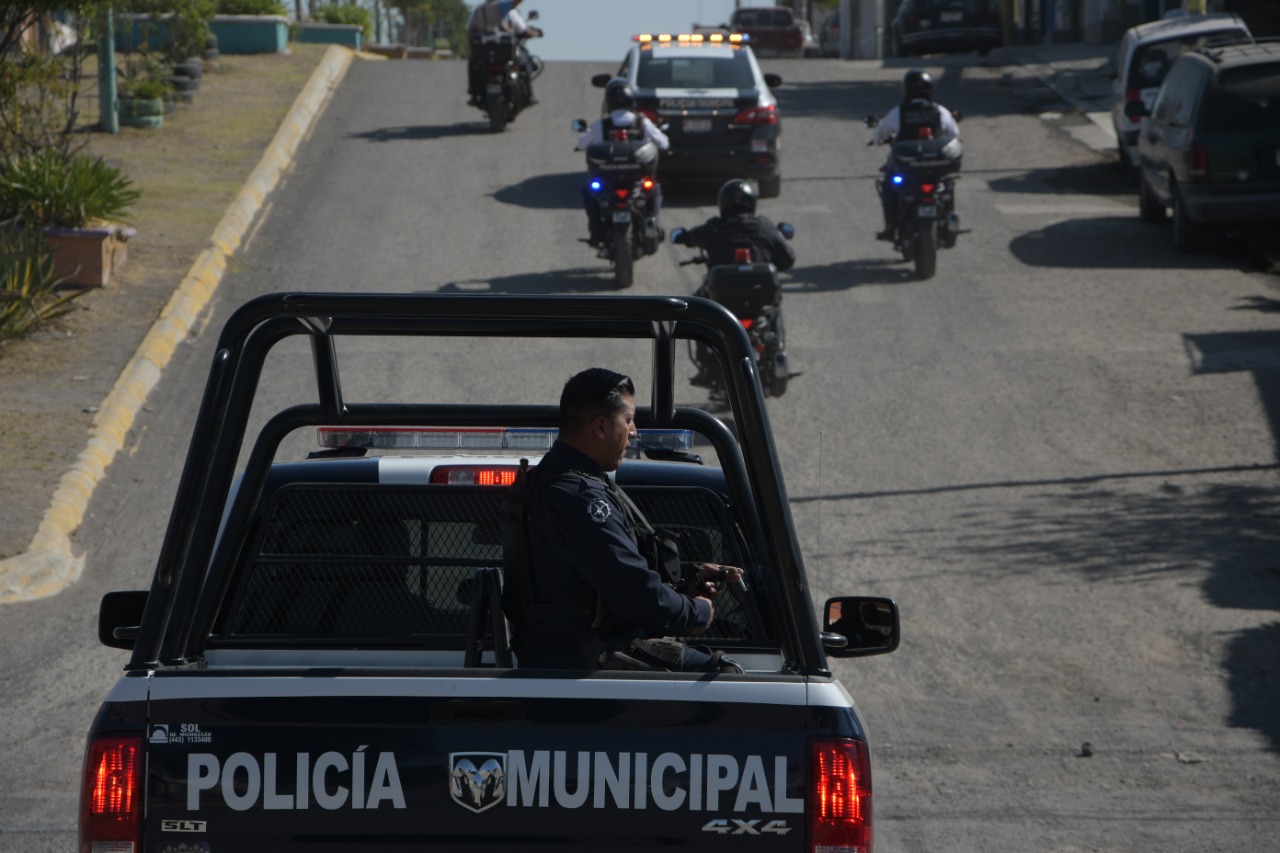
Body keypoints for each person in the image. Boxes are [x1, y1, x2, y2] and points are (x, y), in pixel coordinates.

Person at [501, 367, 742, 672]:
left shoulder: (552, 481)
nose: (634, 431)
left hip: (564, 654)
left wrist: (688, 576)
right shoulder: (579, 497)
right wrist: (696, 612)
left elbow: (609, 572)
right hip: (582, 659)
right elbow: (636, 595)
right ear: (601, 427)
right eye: (628, 420)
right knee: (726, 674)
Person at [672, 179, 796, 388]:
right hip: (759, 301)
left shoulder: (715, 227)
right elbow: (788, 259)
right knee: (774, 308)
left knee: (697, 312)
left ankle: (705, 365)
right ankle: (777, 353)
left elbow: (691, 236)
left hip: (723, 302)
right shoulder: (763, 226)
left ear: (724, 203)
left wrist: (684, 236)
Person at [575, 78, 670, 252]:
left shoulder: (601, 124)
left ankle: (596, 231)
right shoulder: (642, 122)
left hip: (607, 179)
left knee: (589, 192)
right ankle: (653, 225)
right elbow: (663, 143)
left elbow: (582, 143)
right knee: (654, 190)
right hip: (636, 179)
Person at [870, 68, 960, 242]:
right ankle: (949, 221)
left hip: (907, 169)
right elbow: (954, 134)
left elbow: (879, 135)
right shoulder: (939, 111)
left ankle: (890, 226)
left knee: (889, 185)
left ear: (906, 89)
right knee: (947, 185)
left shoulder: (899, 112)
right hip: (935, 169)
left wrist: (877, 140)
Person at [466, 0, 543, 107]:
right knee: (525, 63)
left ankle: (474, 93)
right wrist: (535, 33)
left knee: (473, 64)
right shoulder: (503, 8)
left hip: (485, 55)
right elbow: (523, 29)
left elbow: (470, 30)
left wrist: (472, 47)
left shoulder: (478, 10)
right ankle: (528, 95)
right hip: (506, 55)